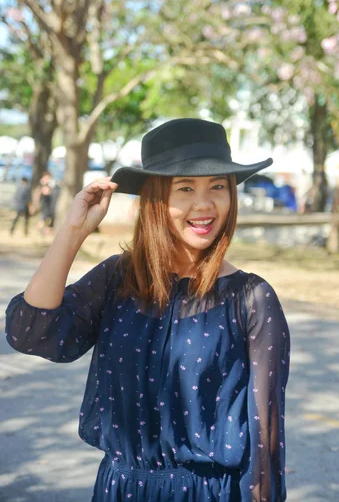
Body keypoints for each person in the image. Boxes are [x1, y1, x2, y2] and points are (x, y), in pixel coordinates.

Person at [5, 118, 291, 502]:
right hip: (120, 488)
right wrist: (72, 232)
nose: (204, 204)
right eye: (185, 188)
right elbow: (31, 333)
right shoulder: (117, 277)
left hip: (207, 494)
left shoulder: (251, 298)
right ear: (156, 199)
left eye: (218, 186)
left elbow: (264, 432)